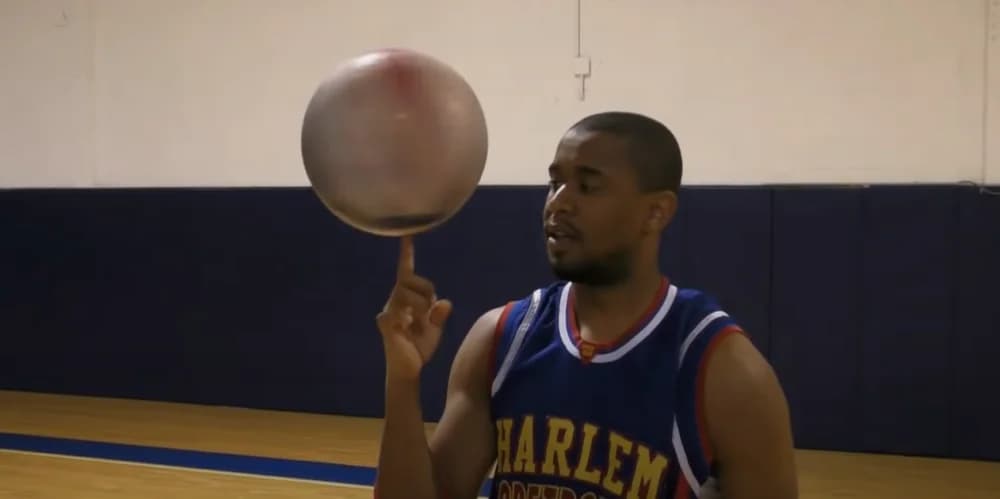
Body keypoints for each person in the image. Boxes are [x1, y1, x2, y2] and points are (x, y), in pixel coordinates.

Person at [372, 111, 798, 499]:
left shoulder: (724, 372)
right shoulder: (503, 338)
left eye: (588, 186)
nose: (558, 202)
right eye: (554, 183)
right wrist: (402, 379)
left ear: (656, 212)